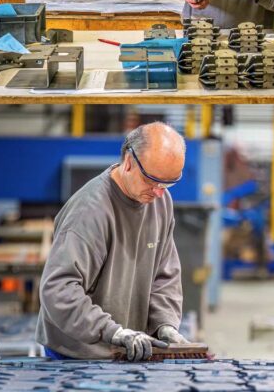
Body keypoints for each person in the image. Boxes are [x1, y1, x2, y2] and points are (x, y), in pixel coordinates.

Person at [36, 122, 189, 361]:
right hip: (77, 356)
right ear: (129, 161)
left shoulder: (161, 202)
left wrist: (165, 324)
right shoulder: (90, 212)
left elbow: (164, 275)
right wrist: (112, 331)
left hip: (126, 351)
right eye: (152, 180)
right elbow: (58, 289)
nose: (159, 192)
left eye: (168, 183)